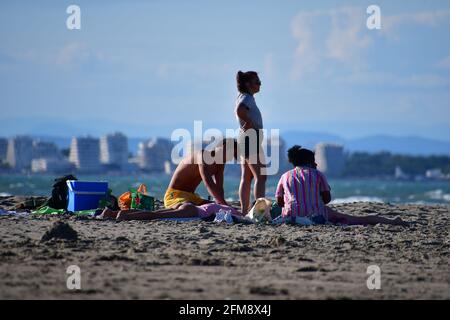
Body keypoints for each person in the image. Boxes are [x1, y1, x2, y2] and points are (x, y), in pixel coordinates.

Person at [275, 145, 409, 226]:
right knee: (357, 220)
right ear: (310, 161)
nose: (316, 164)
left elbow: (280, 202)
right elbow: (327, 200)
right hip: (316, 216)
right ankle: (392, 221)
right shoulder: (317, 174)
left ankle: (392, 220)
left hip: (290, 216)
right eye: (314, 161)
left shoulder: (284, 176)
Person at [163, 138, 237, 209]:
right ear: (222, 147)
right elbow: (207, 181)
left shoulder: (220, 164)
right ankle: (153, 215)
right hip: (175, 195)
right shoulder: (202, 154)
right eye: (230, 153)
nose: (230, 158)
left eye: (232, 156)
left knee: (213, 206)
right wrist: (223, 204)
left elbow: (219, 188)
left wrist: (222, 204)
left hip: (192, 197)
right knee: (189, 207)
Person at [235, 70, 266, 214]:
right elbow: (240, 110)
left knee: (246, 176)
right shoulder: (247, 98)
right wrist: (248, 122)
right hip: (250, 137)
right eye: (257, 82)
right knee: (261, 175)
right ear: (248, 84)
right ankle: (259, 211)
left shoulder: (243, 96)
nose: (260, 84)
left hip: (245, 137)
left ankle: (244, 210)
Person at [99, 202, 242, 221]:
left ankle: (111, 213)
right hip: (192, 211)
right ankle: (123, 216)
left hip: (188, 205)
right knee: (155, 216)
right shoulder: (237, 213)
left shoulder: (227, 206)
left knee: (157, 212)